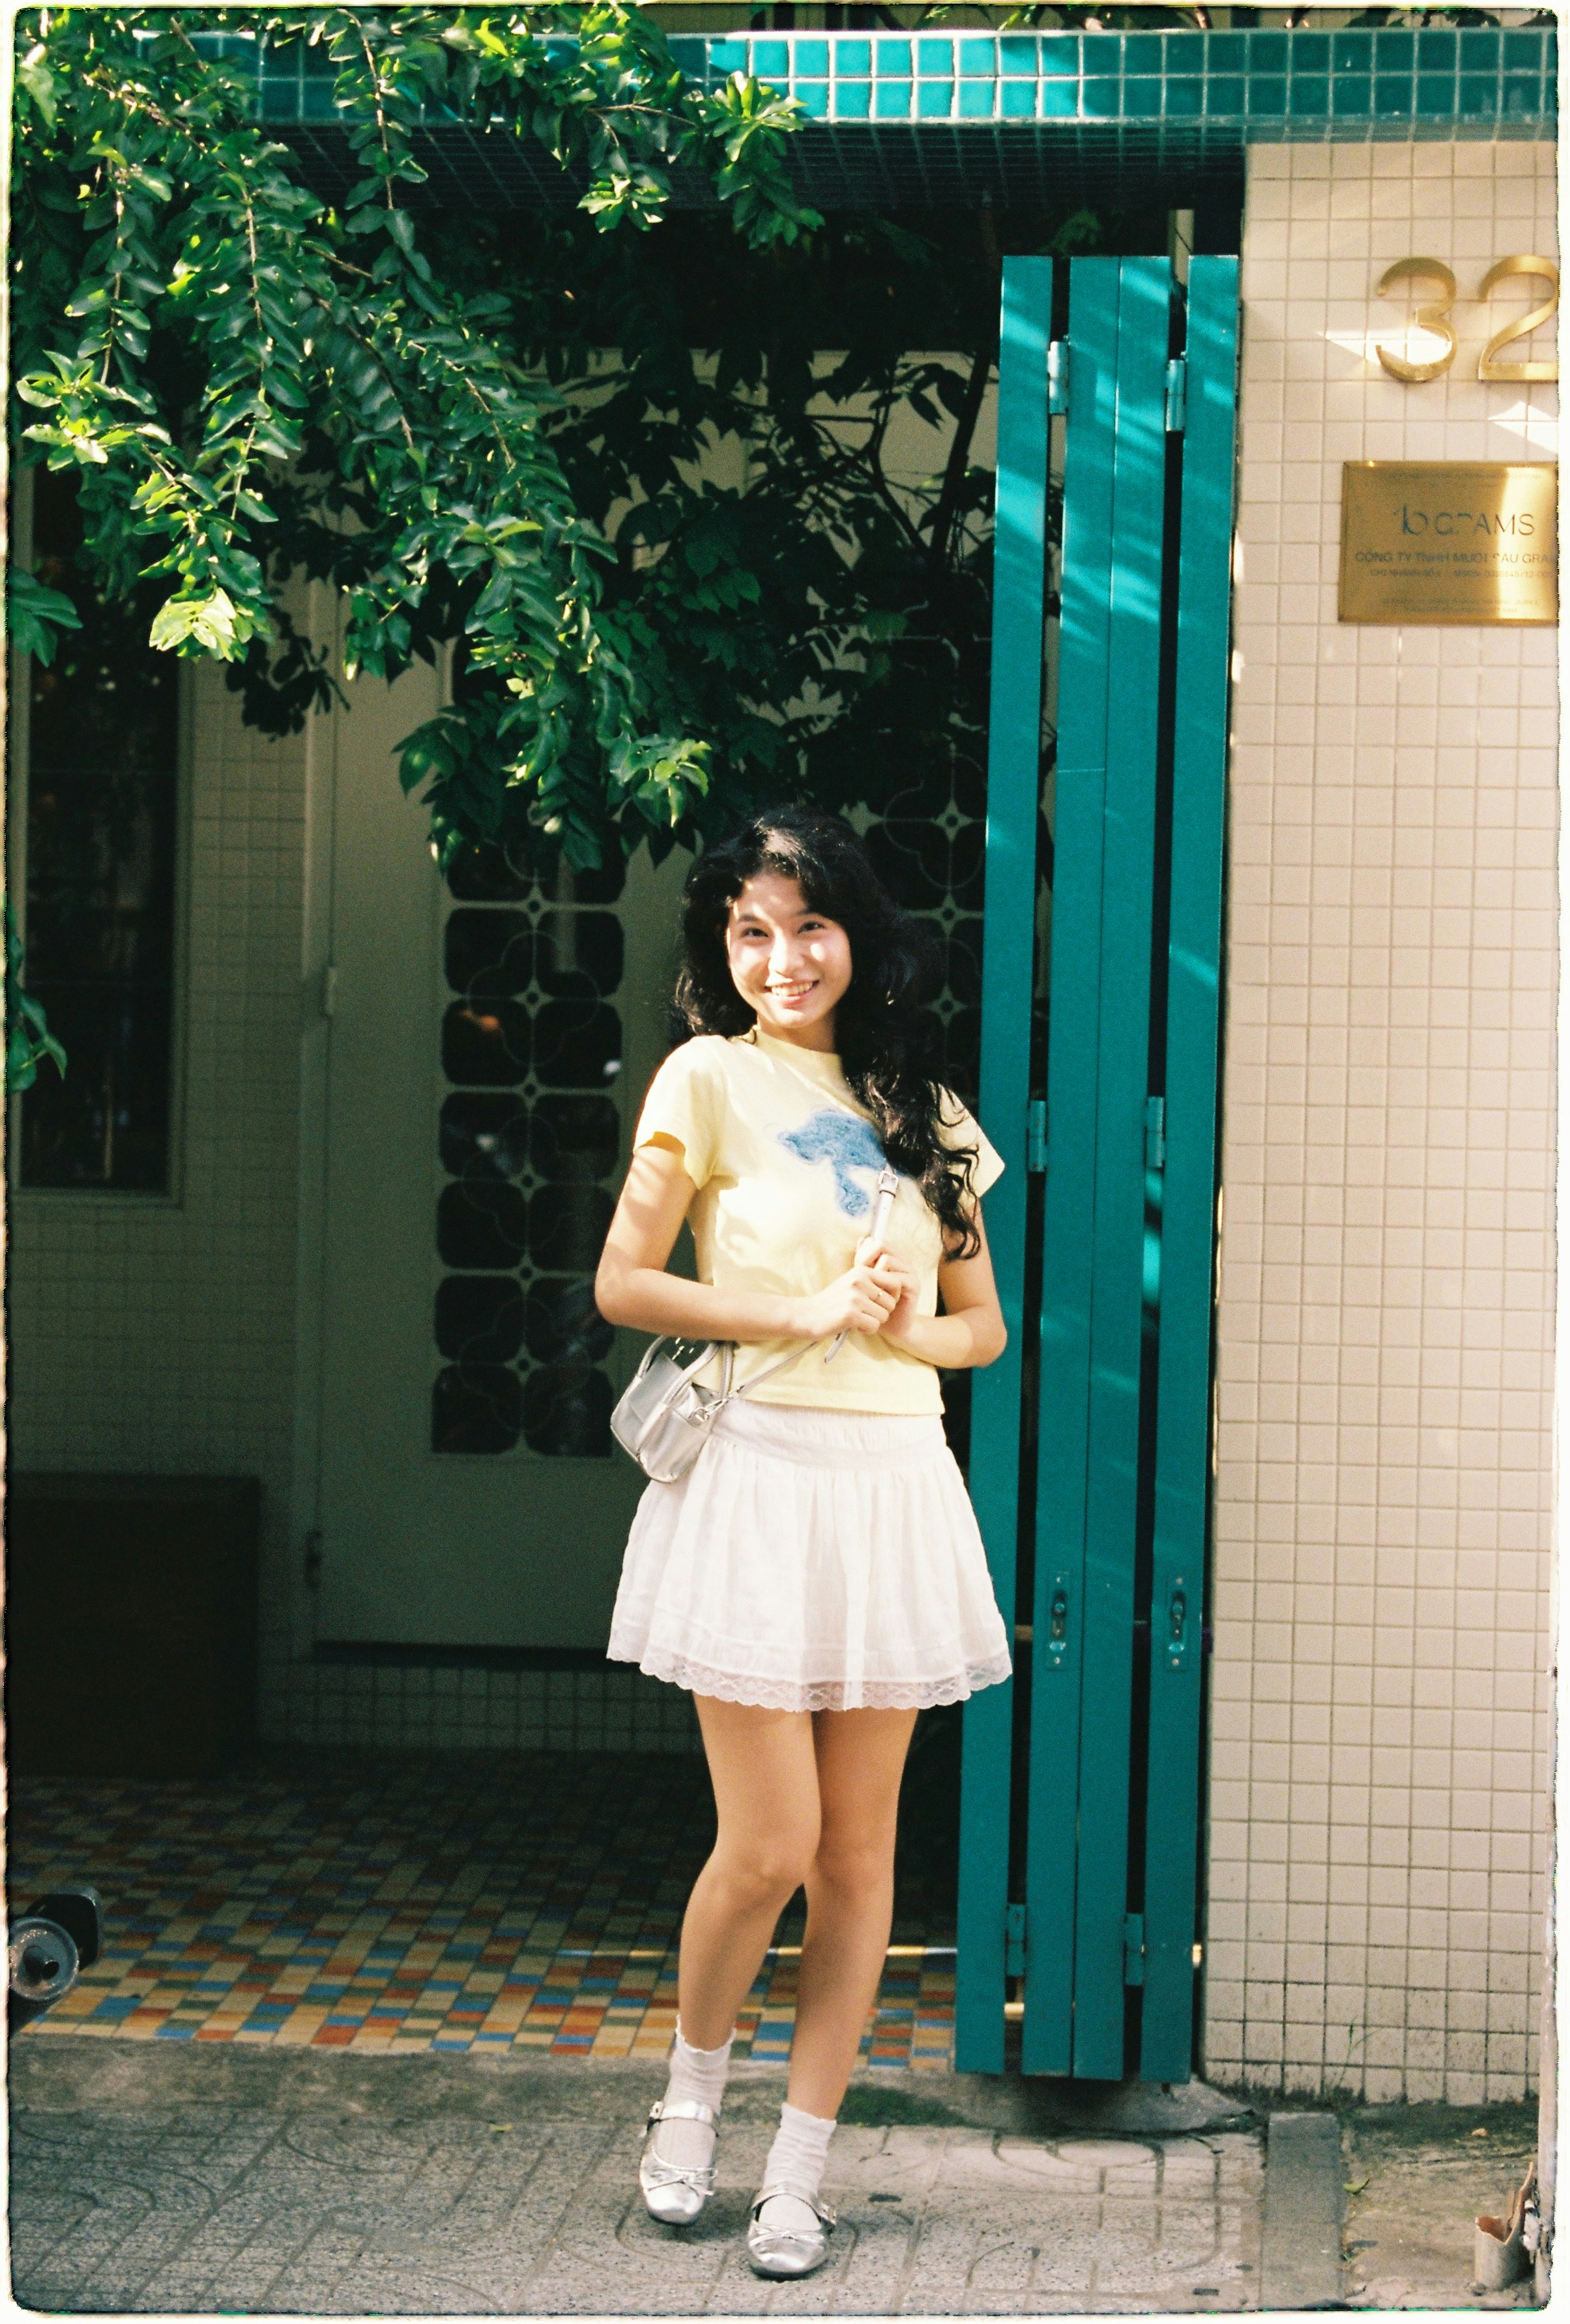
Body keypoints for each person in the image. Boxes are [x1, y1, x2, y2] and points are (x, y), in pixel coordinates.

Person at [594, 806, 1011, 2279]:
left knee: (856, 1860)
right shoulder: (706, 1078)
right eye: (751, 930)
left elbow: (983, 1330)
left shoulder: (923, 1106)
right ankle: (690, 2106)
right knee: (764, 1844)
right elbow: (624, 1280)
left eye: (809, 924)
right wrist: (799, 1313)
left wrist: (907, 1324)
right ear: (722, 946)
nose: (783, 956)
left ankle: (798, 2173)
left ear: (857, 933)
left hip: (891, 1483)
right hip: (761, 1480)